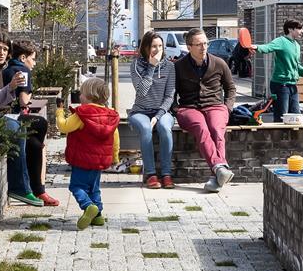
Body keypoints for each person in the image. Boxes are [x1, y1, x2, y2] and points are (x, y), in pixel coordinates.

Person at [174, 28, 236, 191]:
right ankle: (220, 169)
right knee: (201, 128)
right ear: (189, 47)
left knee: (216, 129)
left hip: (215, 106)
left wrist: (227, 108)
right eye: (199, 44)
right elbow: (171, 92)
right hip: (189, 108)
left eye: (205, 43)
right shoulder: (179, 66)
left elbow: (230, 88)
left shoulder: (219, 63)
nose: (204, 47)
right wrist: (175, 109)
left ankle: (216, 175)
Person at [3, 39, 59, 207]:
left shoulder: (7, 69)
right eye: (33, 59)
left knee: (34, 141)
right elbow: (23, 100)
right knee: (40, 124)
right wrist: (25, 106)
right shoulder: (23, 71)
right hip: (11, 118)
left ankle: (37, 188)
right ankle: (37, 188)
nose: (34, 63)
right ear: (23, 57)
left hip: (7, 116)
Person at [60, 76, 121, 229]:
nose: (79, 96)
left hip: (82, 160)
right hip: (99, 162)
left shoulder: (82, 114)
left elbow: (64, 127)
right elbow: (115, 137)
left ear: (88, 96)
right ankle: (98, 216)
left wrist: (59, 113)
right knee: (94, 188)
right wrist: (115, 156)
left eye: (81, 93)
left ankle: (88, 206)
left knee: (77, 186)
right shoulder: (110, 115)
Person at [129, 30, 177, 189]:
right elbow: (141, 91)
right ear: (146, 48)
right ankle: (151, 174)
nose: (157, 50)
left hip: (162, 111)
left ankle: (166, 174)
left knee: (164, 127)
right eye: (153, 46)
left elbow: (170, 97)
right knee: (145, 127)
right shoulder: (136, 65)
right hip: (140, 111)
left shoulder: (170, 66)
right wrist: (151, 67)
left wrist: (157, 116)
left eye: (160, 46)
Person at [256, 19, 303, 120]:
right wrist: (256, 47)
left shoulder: (297, 45)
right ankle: (278, 136)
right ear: (290, 29)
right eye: (300, 28)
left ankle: (291, 136)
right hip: (280, 85)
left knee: (296, 116)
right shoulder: (281, 41)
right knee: (281, 117)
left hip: (292, 85)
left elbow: (296, 64)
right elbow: (268, 47)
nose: (302, 31)